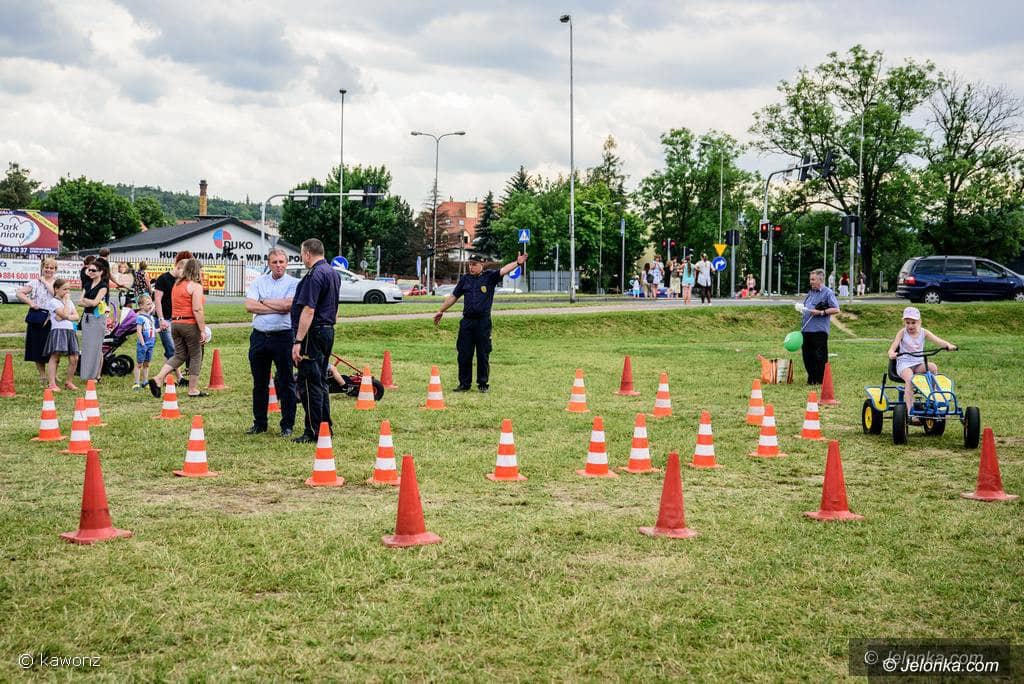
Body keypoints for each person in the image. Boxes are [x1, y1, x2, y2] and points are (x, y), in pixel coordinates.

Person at [433, 252, 527, 392]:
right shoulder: (465, 279)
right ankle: (464, 384)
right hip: (467, 323)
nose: (471, 267)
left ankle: (482, 384)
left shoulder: (490, 277)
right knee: (464, 354)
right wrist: (441, 310)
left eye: (474, 265)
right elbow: (454, 296)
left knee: (483, 354)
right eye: (470, 265)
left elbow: (504, 270)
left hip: (483, 323)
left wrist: (517, 263)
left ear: (481, 265)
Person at [290, 239, 341, 444]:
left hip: (313, 332)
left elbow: (309, 309)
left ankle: (313, 430)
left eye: (302, 254)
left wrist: (298, 340)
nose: (302, 258)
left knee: (309, 382)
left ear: (308, 254)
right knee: (320, 380)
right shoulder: (332, 273)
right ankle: (325, 425)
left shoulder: (314, 275)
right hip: (327, 330)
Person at [244, 248, 299, 437]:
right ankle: (260, 423)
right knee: (259, 383)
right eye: (274, 262)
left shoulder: (294, 283)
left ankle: (287, 425)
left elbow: (288, 306)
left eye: (281, 262)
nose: (278, 265)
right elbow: (249, 305)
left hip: (283, 337)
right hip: (259, 337)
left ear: (287, 263)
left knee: (286, 381)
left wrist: (263, 302)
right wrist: (276, 306)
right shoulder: (258, 282)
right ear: (269, 263)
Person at [148, 258, 208, 398]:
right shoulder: (195, 286)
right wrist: (202, 330)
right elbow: (197, 309)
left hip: (175, 323)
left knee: (179, 355)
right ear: (196, 270)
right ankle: (193, 389)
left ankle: (158, 378)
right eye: (201, 270)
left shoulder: (177, 284)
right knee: (195, 355)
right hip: (189, 324)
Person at [887, 306, 957, 420]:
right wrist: (891, 353)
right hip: (904, 364)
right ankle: (911, 412)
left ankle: (935, 401)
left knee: (933, 368)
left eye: (913, 322)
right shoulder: (902, 333)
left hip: (918, 363)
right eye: (907, 322)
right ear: (904, 322)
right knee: (910, 379)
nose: (910, 326)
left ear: (919, 322)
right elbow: (893, 347)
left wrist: (948, 345)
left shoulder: (924, 332)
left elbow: (938, 341)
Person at [16, 257, 57, 387]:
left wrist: (44, 281)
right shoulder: (34, 282)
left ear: (55, 270)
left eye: (51, 268)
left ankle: (53, 375)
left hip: (53, 318)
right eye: (46, 267)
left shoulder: (57, 282)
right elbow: (19, 293)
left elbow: (55, 294)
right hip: (37, 317)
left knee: (54, 349)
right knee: (37, 347)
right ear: (42, 268)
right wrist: (31, 303)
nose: (48, 270)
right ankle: (43, 376)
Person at [796, 268, 840, 385]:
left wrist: (821, 312)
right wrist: (801, 309)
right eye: (810, 279)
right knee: (807, 355)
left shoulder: (827, 293)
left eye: (813, 279)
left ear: (820, 279)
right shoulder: (811, 293)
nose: (810, 282)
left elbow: (836, 309)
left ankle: (820, 380)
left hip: (819, 331)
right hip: (806, 329)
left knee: (819, 356)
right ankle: (811, 378)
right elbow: (807, 307)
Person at [153, 252, 191, 372]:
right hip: (164, 319)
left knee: (172, 350)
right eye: (185, 271)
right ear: (178, 267)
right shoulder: (163, 279)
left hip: (176, 319)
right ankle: (178, 377)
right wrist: (161, 319)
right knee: (172, 350)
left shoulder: (182, 281)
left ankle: (165, 376)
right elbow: (157, 300)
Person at [43, 278, 80, 391]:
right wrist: (66, 310)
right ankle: (52, 384)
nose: (67, 292)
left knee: (74, 357)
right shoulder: (53, 302)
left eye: (68, 289)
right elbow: (64, 314)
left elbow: (76, 316)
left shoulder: (69, 302)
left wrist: (65, 316)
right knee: (55, 356)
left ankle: (69, 382)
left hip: (70, 331)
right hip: (58, 331)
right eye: (64, 289)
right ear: (56, 289)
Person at [78, 257, 110, 382]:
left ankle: (96, 374)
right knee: (87, 347)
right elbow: (80, 302)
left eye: (93, 270)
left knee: (96, 347)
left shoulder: (103, 286)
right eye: (89, 270)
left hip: (97, 318)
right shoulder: (87, 284)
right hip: (87, 317)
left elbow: (95, 302)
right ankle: (86, 374)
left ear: (101, 272)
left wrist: (86, 301)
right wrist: (88, 302)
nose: (90, 272)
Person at [132, 295, 157, 390]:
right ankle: (136, 383)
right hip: (143, 345)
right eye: (148, 304)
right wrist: (143, 344)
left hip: (151, 344)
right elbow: (139, 332)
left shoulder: (150, 317)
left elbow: (152, 330)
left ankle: (145, 381)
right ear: (141, 306)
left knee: (147, 364)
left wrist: (160, 329)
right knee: (139, 364)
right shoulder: (140, 318)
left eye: (151, 303)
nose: (150, 306)